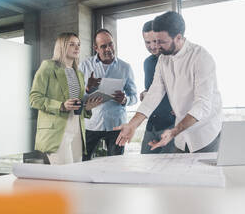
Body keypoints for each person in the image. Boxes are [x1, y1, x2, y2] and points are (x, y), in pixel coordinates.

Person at [115, 11, 222, 153]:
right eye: (155, 40)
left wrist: (174, 131)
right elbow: (153, 93)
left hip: (205, 135)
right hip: (180, 135)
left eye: (162, 42)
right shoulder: (163, 59)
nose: (156, 46)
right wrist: (133, 124)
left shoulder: (201, 57)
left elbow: (202, 104)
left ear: (178, 38)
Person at [30, 32, 102, 165]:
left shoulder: (78, 73)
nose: (77, 47)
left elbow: (76, 104)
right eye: (72, 44)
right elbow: (34, 98)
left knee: (76, 176)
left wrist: (87, 107)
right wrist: (61, 105)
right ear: (62, 47)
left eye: (79, 44)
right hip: (57, 132)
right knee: (66, 177)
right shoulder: (48, 66)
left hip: (77, 131)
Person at [79, 28, 137, 160]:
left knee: (116, 164)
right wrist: (87, 89)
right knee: (83, 160)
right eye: (103, 46)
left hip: (116, 125)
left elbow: (134, 97)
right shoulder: (85, 66)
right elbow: (76, 97)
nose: (108, 49)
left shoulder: (125, 67)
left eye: (110, 44)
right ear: (96, 48)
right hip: (91, 124)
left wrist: (124, 100)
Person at [139, 20, 176, 154]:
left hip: (171, 125)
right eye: (147, 42)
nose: (152, 46)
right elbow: (153, 90)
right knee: (145, 165)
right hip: (152, 125)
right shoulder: (147, 63)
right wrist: (144, 94)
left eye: (155, 41)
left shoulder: (173, 59)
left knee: (168, 168)